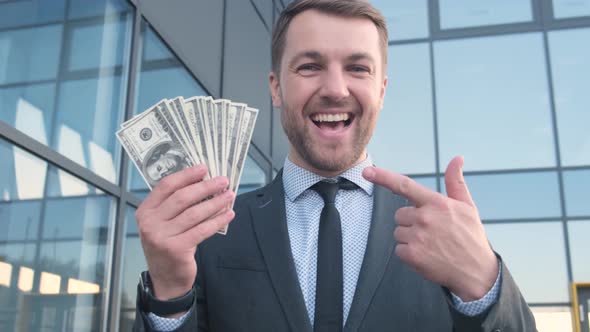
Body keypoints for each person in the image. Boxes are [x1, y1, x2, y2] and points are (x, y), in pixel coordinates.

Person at [133, 0, 537, 331]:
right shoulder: (212, 228)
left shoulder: (441, 233)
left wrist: (484, 285)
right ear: (276, 87)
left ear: (381, 90)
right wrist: (169, 292)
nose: (335, 89)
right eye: (309, 66)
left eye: (358, 68)